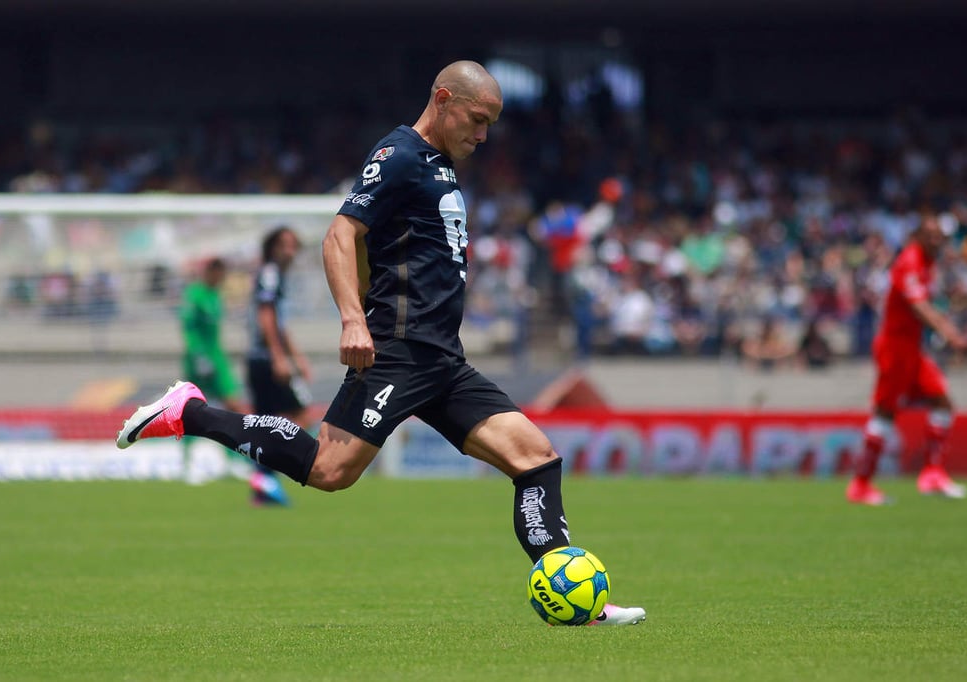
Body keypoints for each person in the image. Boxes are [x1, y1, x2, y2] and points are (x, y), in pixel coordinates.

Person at [116, 60, 645, 625]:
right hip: (400, 348)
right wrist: (354, 318)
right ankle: (188, 412)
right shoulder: (400, 156)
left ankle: (577, 600)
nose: (484, 134)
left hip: (442, 358)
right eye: (477, 118)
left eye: (490, 123)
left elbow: (383, 250)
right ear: (442, 99)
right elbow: (342, 234)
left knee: (536, 459)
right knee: (328, 470)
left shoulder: (439, 166)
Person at [846, 211, 967, 505]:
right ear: (917, 237)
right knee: (885, 412)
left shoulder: (926, 263)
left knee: (942, 400)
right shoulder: (910, 261)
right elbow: (920, 307)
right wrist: (951, 334)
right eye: (931, 236)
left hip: (912, 348)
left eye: (939, 237)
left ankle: (932, 474)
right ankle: (860, 484)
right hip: (894, 347)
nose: (936, 241)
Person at [245, 226, 314, 506]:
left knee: (267, 424)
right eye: (285, 245)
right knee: (300, 415)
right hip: (264, 359)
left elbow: (280, 325)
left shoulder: (276, 276)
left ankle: (262, 483)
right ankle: (270, 477)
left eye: (293, 245)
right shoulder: (270, 273)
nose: (290, 251)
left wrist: (296, 357)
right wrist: (278, 357)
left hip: (263, 358)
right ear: (273, 247)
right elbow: (266, 315)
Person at [179, 257, 248, 482]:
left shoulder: (216, 295)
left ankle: (232, 460)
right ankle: (187, 463)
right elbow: (188, 328)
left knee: (233, 407)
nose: (220, 279)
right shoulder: (194, 294)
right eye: (218, 273)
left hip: (218, 361)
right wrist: (198, 354)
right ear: (209, 272)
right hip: (198, 361)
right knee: (191, 410)